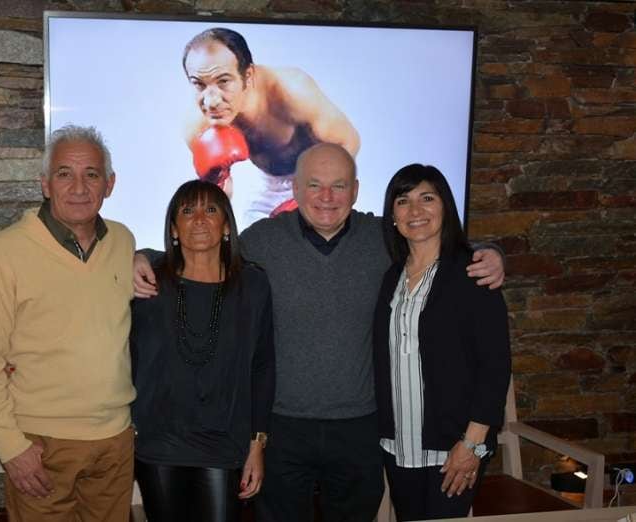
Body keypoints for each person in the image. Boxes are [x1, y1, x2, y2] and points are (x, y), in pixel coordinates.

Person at [134, 143, 505, 522]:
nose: (326, 197)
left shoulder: (381, 239)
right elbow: (204, 248)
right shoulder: (263, 239)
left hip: (360, 428)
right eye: (314, 185)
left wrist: (489, 252)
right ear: (294, 190)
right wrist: (143, 257)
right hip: (282, 429)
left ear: (356, 191)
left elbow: (434, 242)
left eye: (339, 186)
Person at [0, 124, 136, 521]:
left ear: (109, 184)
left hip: (115, 443)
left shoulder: (123, 242)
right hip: (40, 446)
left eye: (91, 174)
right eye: (64, 174)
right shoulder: (8, 252)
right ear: (44, 184)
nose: (78, 187)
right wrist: (10, 446)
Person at [131, 180, 275, 522]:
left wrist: (257, 444)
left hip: (225, 443)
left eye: (211, 210)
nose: (199, 219)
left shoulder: (253, 285)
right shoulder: (147, 283)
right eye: (187, 210)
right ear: (173, 229)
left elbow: (263, 365)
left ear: (226, 225)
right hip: (159, 444)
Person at [373, 164, 511, 521]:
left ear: (445, 207)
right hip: (398, 445)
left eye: (427, 198)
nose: (415, 211)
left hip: (454, 446)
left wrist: (472, 444)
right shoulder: (391, 277)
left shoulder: (472, 272)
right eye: (403, 201)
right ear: (392, 216)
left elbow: (495, 365)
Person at [182, 27, 360, 221]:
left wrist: (307, 197)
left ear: (248, 76)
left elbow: (348, 143)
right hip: (266, 185)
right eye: (199, 84)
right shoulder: (198, 128)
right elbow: (221, 197)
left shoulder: (292, 91)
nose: (211, 101)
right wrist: (217, 185)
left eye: (223, 81)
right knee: (250, 242)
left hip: (315, 180)